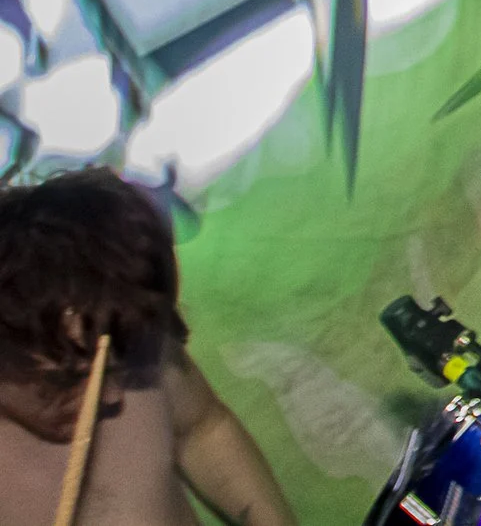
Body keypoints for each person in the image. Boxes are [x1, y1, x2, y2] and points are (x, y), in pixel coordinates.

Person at [0, 169, 295, 526]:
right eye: (67, 378)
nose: (111, 397)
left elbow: (202, 429)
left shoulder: (114, 319)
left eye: (117, 368)